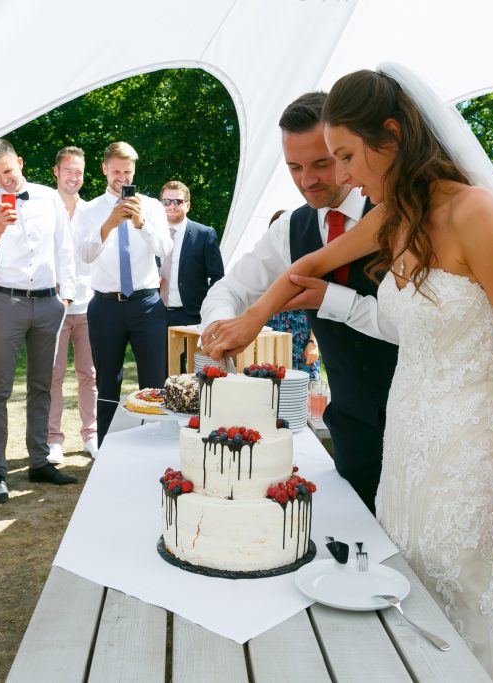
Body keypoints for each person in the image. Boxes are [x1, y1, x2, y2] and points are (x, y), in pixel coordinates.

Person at [204, 66, 493, 682]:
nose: (343, 174)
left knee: (467, 611)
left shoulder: (475, 213)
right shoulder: (395, 214)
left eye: (347, 156)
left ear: (393, 135)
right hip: (407, 446)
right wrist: (251, 321)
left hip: (473, 456)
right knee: (410, 600)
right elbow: (308, 267)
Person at [200, 92, 397, 513]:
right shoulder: (291, 228)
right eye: (294, 167)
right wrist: (220, 327)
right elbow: (228, 290)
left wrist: (331, 299)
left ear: (348, 152)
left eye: (322, 163)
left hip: (418, 425)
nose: (307, 180)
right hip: (351, 430)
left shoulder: (397, 212)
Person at [0, 139, 78, 503]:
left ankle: (39, 461)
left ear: (20, 161)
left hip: (49, 303)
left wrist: (67, 297)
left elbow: (64, 248)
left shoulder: (49, 198)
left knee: (42, 386)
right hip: (6, 302)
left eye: (9, 171)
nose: (5, 180)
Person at [75, 142, 172, 445]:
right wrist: (108, 225)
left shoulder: (153, 207)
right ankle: (105, 447)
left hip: (147, 304)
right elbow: (85, 255)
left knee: (155, 382)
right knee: (106, 383)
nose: (122, 178)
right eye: (116, 171)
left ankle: (154, 444)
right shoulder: (89, 210)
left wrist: (141, 224)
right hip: (106, 307)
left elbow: (164, 249)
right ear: (104, 169)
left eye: (127, 171)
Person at [48, 146, 98, 461]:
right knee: (52, 376)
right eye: (68, 170)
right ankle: (53, 440)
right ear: (56, 171)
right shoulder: (44, 206)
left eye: (79, 171)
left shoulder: (92, 211)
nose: (74, 176)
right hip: (51, 305)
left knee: (89, 374)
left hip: (89, 303)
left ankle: (91, 436)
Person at [260, 211, 320, 380]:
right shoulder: (264, 265)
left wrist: (313, 342)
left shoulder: (307, 261)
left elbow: (318, 307)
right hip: (271, 341)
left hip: (302, 341)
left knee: (307, 393)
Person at [158, 180, 224, 331]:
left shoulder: (204, 235)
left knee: (190, 356)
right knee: (157, 356)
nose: (172, 206)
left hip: (191, 316)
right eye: (167, 201)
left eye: (178, 201)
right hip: (154, 314)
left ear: (187, 205)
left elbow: (218, 277)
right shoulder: (151, 233)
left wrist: (206, 308)